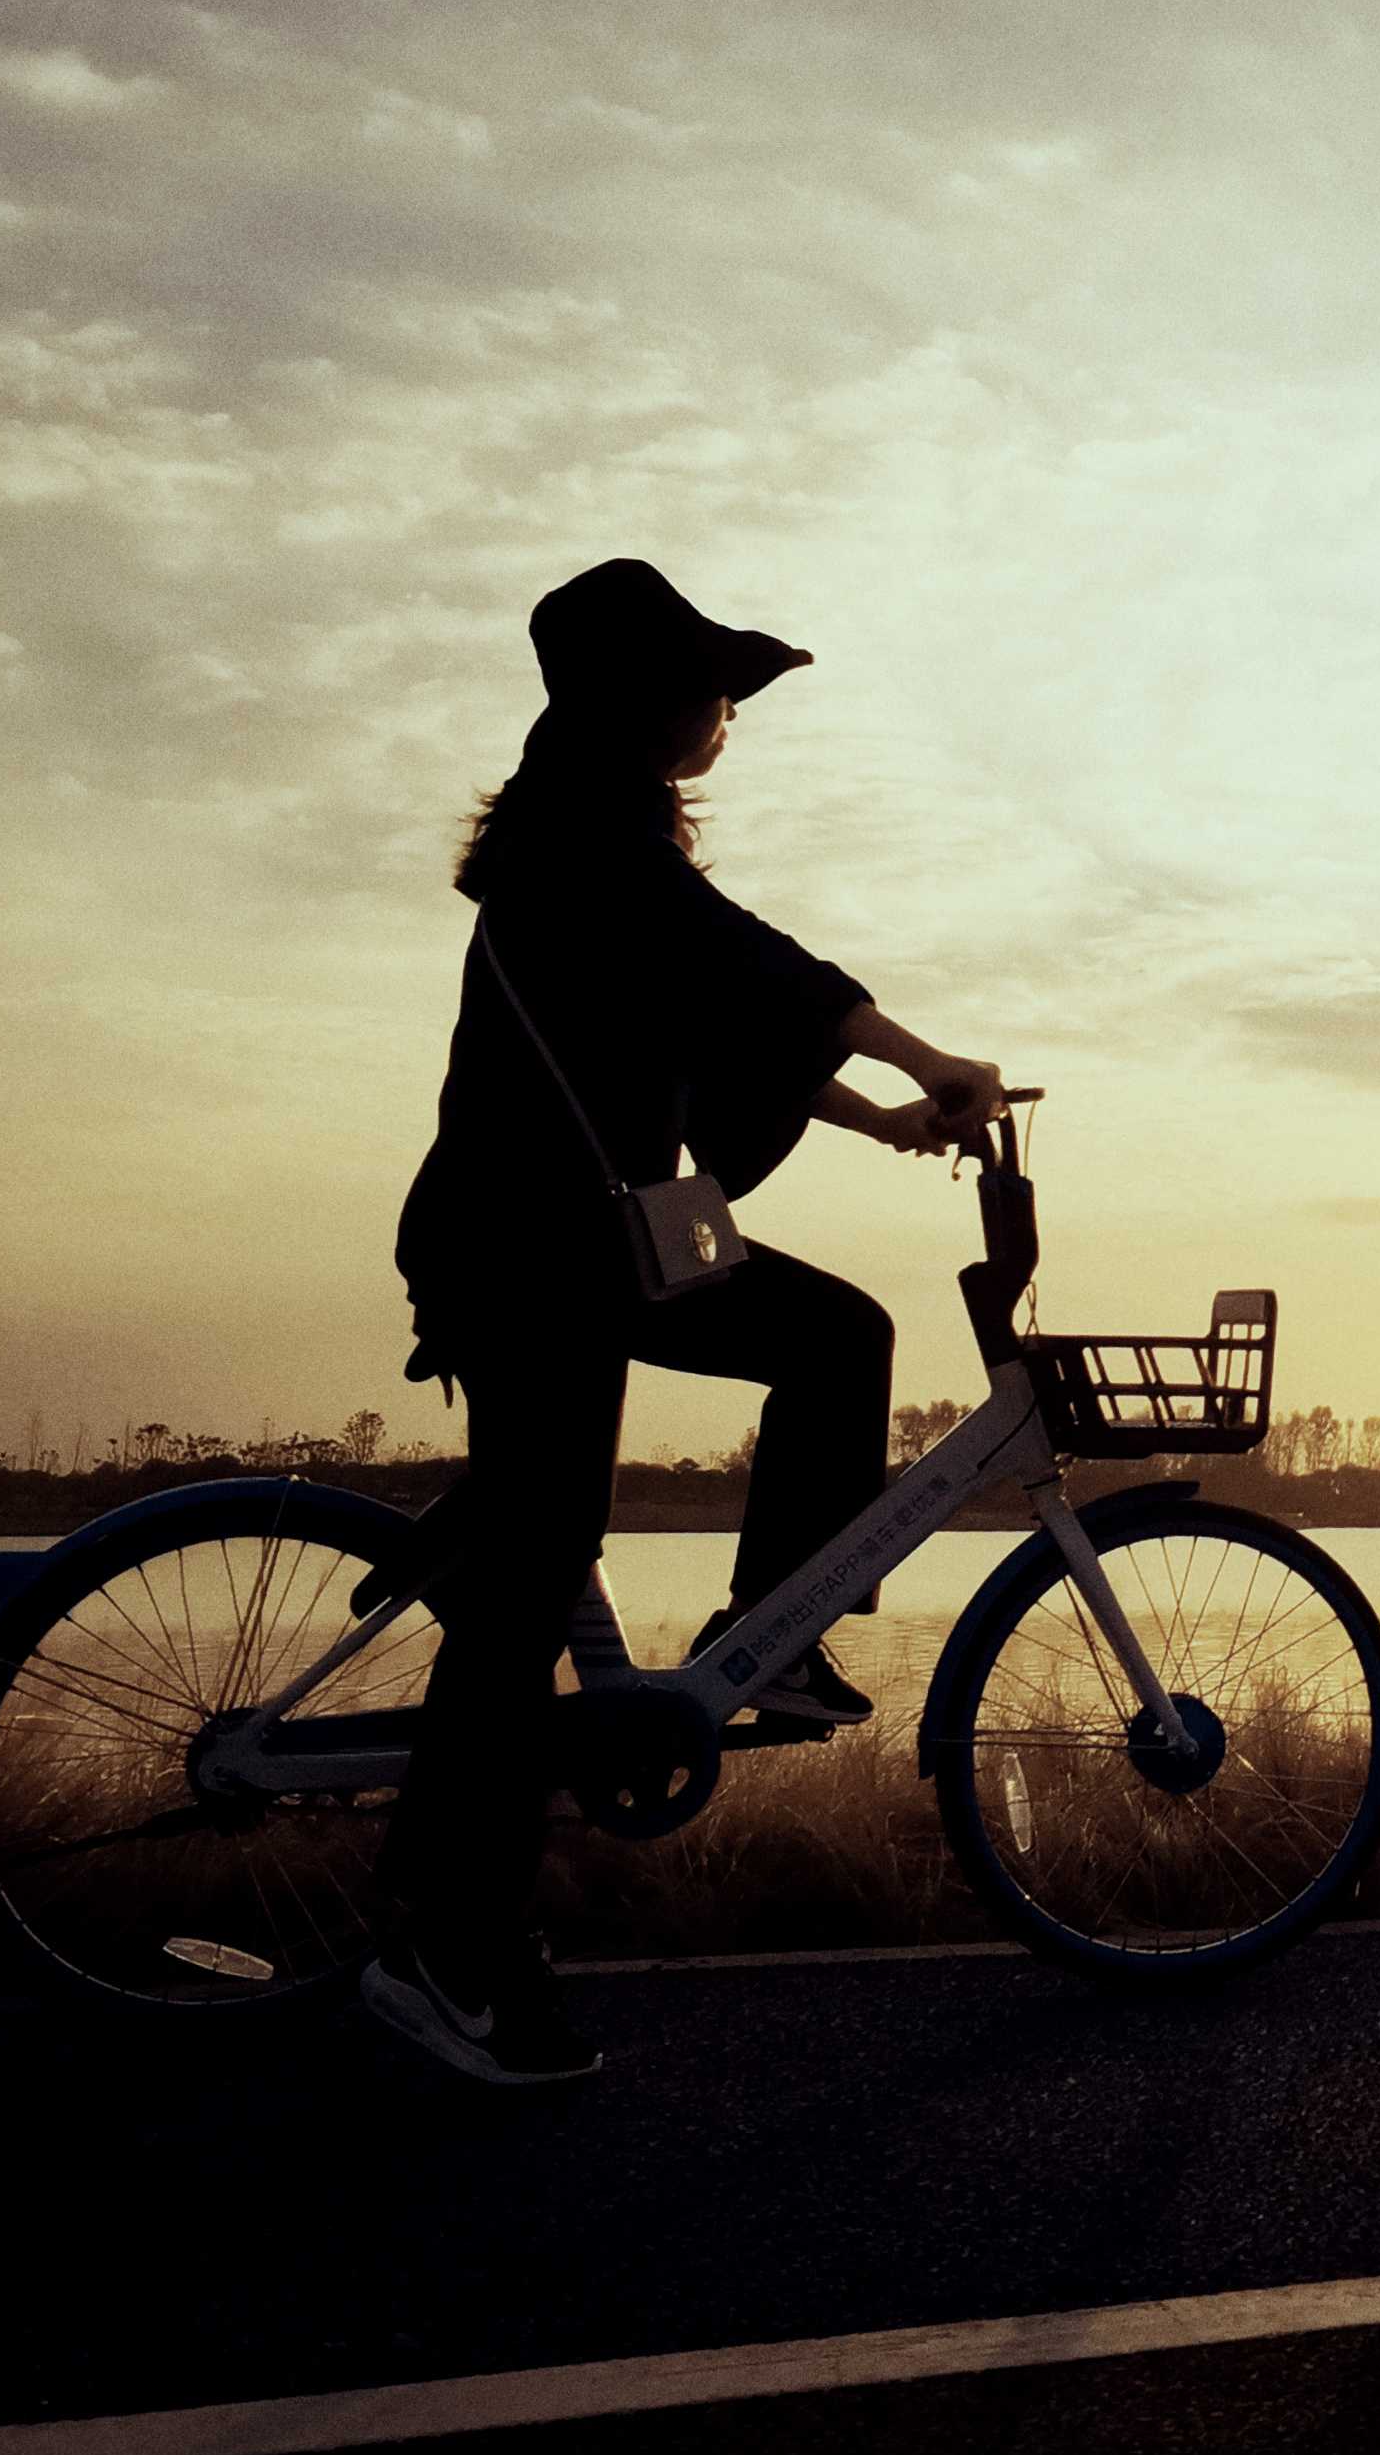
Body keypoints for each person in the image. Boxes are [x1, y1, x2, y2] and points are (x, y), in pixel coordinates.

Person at [367, 558, 1008, 2085]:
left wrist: (879, 1117)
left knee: (833, 1339)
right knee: (528, 1595)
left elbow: (714, 1023)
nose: (729, 712)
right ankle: (444, 1961)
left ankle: (767, 1638)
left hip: (588, 1245)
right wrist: (927, 1057)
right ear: (643, 707)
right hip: (531, 1254)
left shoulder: (593, 849)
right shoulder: (585, 846)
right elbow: (749, 966)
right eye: (713, 688)